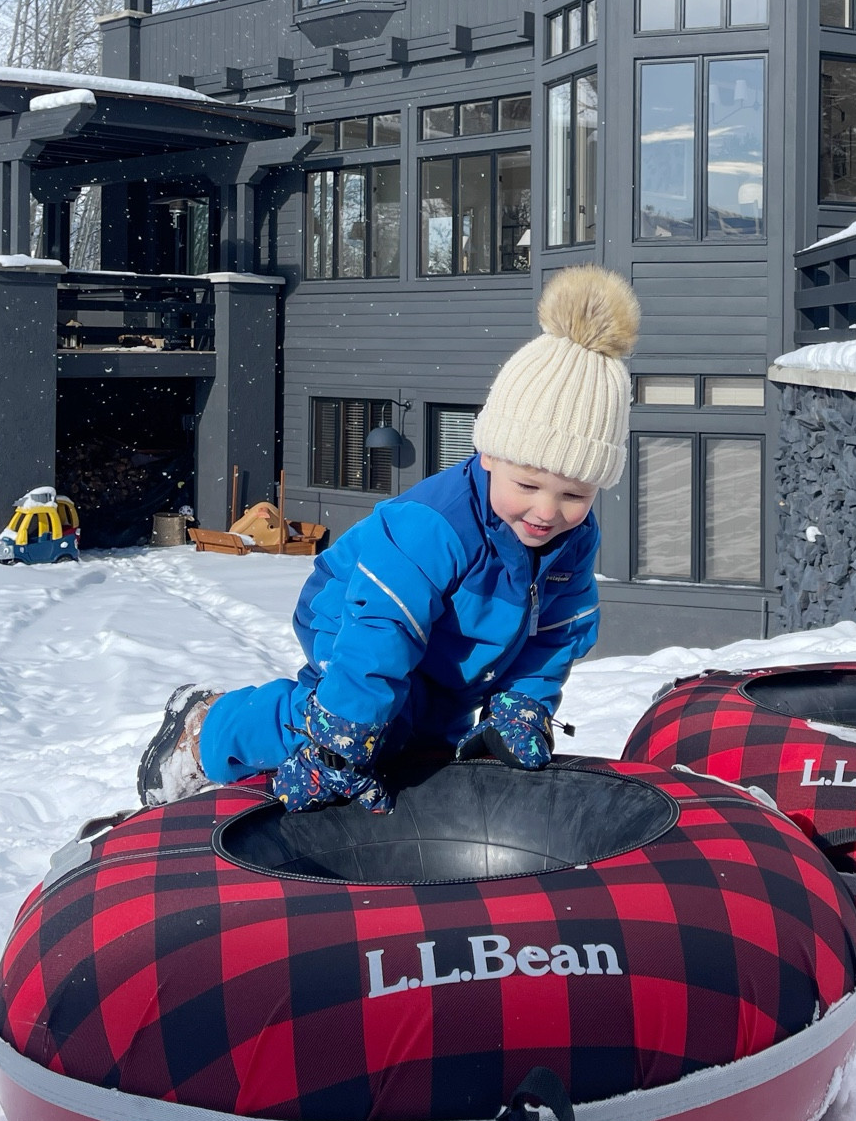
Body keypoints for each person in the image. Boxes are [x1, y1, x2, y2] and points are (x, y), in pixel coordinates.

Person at [135, 265, 639, 813]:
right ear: (490, 453)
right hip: (357, 613)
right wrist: (340, 740)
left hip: (452, 655)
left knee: (422, 745)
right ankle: (207, 729)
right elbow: (383, 629)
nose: (547, 511)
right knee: (360, 718)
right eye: (528, 484)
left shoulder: (573, 538)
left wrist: (522, 705)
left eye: (574, 494)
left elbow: (557, 634)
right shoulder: (437, 524)